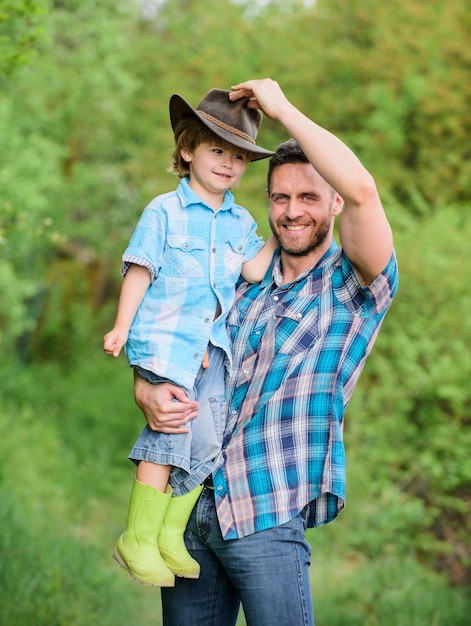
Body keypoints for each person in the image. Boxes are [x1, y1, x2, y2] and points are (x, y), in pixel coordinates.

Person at [134, 78, 399, 625]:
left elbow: (366, 190)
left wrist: (280, 109)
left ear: (333, 201)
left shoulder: (353, 286)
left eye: (308, 196)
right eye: (280, 196)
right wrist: (146, 388)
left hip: (266, 510)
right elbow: (172, 336)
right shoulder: (239, 269)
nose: (292, 210)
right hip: (186, 510)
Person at [103, 87, 276, 587]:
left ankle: (168, 534)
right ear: (187, 149)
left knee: (205, 441)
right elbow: (140, 269)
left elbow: (251, 270)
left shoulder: (241, 221)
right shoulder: (164, 211)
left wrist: (283, 239)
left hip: (209, 350)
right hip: (164, 342)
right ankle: (136, 536)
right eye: (217, 150)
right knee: (171, 428)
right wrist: (120, 326)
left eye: (239, 156)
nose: (228, 163)